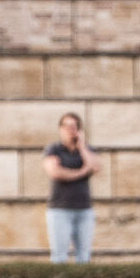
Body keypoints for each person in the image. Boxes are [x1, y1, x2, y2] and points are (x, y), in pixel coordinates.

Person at [42, 112, 100, 264]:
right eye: (67, 126)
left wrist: (82, 147)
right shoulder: (54, 149)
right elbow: (55, 172)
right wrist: (82, 172)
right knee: (59, 257)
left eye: (74, 127)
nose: (70, 130)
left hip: (84, 209)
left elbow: (96, 167)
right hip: (60, 209)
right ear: (60, 129)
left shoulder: (86, 149)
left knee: (84, 257)